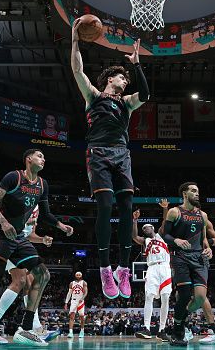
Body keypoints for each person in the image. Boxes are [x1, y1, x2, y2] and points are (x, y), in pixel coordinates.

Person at [0, 149, 74, 349]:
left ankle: (25, 330)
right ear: (28, 159)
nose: (43, 159)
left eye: (44, 157)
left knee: (42, 274)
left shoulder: (43, 185)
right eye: (39, 156)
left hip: (18, 235)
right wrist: (4, 222)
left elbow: (47, 213)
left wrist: (61, 226)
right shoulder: (13, 177)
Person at [71, 17, 150, 299]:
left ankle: (123, 269)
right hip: (98, 153)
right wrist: (75, 39)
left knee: (127, 209)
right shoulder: (93, 96)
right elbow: (78, 70)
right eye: (122, 77)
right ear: (109, 80)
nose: (125, 80)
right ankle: (105, 269)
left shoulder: (127, 103)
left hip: (122, 154)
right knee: (105, 206)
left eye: (126, 78)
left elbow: (147, 94)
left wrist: (137, 64)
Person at [0, 205, 61, 344]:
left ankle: (35, 327)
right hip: (7, 242)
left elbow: (29, 234)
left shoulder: (36, 208)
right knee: (20, 280)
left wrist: (42, 239)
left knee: (30, 281)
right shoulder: (20, 200)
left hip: (20, 243)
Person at [162, 182, 215, 346]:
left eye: (198, 191)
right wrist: (176, 240)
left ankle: (180, 315)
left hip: (199, 259)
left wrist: (208, 249)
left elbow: (203, 239)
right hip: (181, 257)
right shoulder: (174, 212)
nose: (197, 194)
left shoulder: (203, 215)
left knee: (200, 298)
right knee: (185, 294)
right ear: (184, 194)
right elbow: (166, 236)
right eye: (193, 191)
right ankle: (178, 330)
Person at [132, 209, 171, 342]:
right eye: (143, 229)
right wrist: (135, 220)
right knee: (149, 296)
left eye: (147, 227)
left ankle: (162, 330)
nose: (145, 229)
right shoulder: (145, 241)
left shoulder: (161, 236)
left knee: (165, 297)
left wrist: (165, 209)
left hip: (165, 267)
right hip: (152, 268)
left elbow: (165, 222)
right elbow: (134, 237)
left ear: (152, 228)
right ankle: (147, 328)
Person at [64, 272, 88, 338]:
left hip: (81, 301)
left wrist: (82, 298)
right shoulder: (72, 283)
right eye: (77, 275)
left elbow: (86, 292)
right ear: (75, 275)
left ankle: (82, 331)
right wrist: (66, 303)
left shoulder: (84, 282)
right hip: (73, 301)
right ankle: (70, 332)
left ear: (81, 275)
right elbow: (69, 294)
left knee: (82, 317)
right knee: (71, 317)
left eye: (79, 275)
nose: (78, 276)